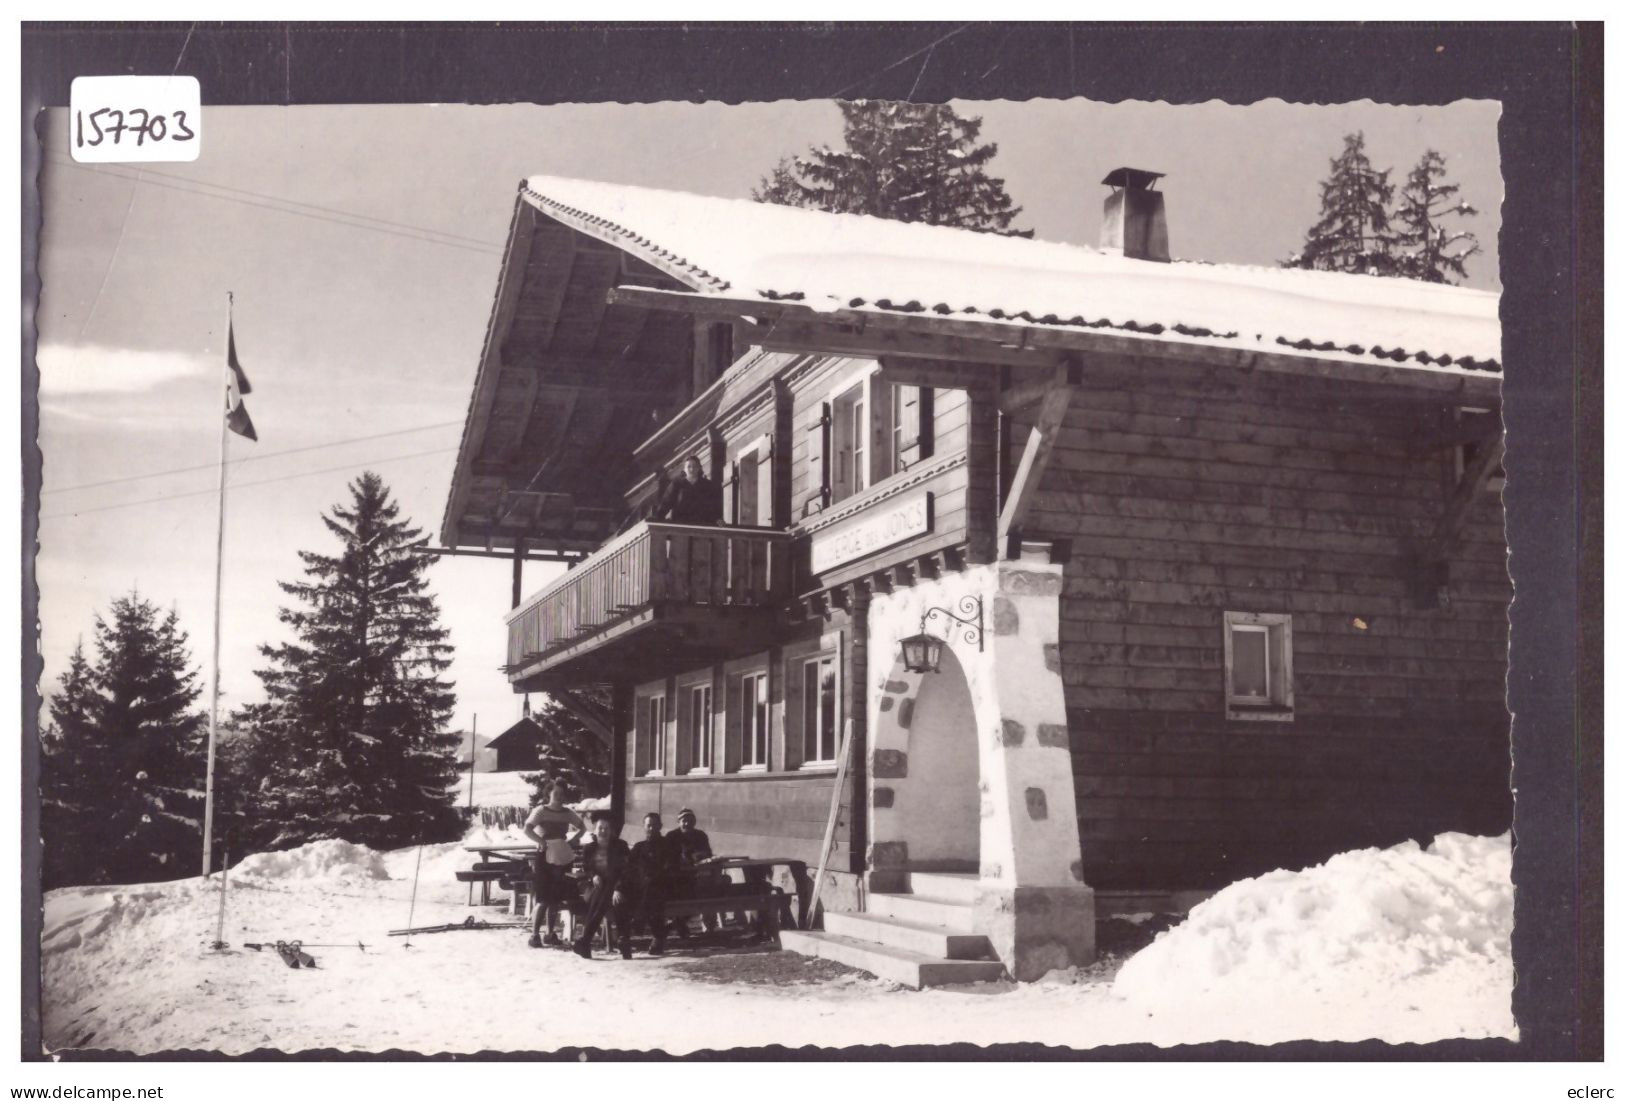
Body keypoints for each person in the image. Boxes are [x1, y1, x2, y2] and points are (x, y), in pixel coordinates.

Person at [523, 780, 584, 948]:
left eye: (562, 794)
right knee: (543, 898)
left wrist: (572, 841)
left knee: (555, 899)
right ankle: (535, 935)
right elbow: (527, 829)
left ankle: (550, 934)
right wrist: (541, 841)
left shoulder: (567, 813)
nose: (559, 797)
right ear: (549, 794)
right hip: (544, 858)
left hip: (562, 858)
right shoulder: (541, 811)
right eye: (556, 793)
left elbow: (582, 827)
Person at [571, 812, 635, 960]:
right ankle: (623, 940)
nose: (603, 831)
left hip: (618, 887)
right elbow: (587, 867)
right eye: (600, 827)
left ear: (612, 830)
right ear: (595, 829)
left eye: (607, 828)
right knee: (604, 892)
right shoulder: (589, 848)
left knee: (610, 895)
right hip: (594, 887)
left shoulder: (620, 846)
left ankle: (585, 941)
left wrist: (618, 889)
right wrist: (594, 875)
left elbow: (626, 870)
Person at [627, 811, 679, 955]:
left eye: (655, 825)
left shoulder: (668, 846)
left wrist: (653, 877)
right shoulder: (639, 847)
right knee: (650, 894)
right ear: (643, 827)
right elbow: (629, 868)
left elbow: (670, 867)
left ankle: (640, 919)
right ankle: (659, 936)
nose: (651, 829)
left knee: (652, 889)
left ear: (660, 827)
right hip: (644, 890)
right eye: (648, 825)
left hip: (665, 888)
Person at [651, 456, 722, 526]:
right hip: (681, 526)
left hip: (701, 526)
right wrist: (658, 518)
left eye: (694, 466)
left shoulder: (707, 485)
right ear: (684, 469)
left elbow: (713, 505)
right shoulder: (677, 484)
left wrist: (717, 518)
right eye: (689, 466)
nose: (692, 469)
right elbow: (666, 503)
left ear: (699, 468)